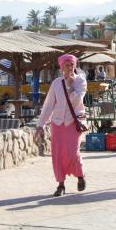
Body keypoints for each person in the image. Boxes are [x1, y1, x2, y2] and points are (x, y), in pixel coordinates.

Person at [36, 54, 87, 197]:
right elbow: (48, 105)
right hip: (57, 123)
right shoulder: (56, 83)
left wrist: (70, 85)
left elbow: (77, 100)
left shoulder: (80, 81)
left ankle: (80, 175)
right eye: (67, 65)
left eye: (72, 64)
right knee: (57, 155)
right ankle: (61, 184)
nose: (70, 67)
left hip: (73, 121)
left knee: (72, 152)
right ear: (62, 67)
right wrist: (41, 124)